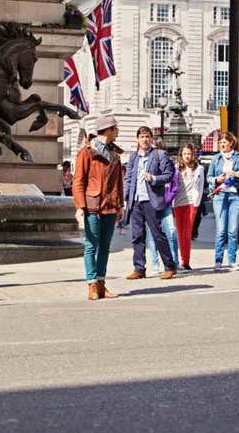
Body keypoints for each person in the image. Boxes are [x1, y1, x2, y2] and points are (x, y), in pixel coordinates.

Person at [72, 118, 124, 300]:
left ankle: (101, 284)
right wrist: (80, 206)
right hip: (92, 206)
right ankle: (92, 284)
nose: (118, 131)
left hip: (110, 205)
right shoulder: (86, 153)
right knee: (91, 245)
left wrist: (120, 205)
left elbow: (119, 182)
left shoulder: (115, 154)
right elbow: (78, 181)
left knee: (105, 247)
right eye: (115, 128)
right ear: (108, 130)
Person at [122, 126, 177, 281]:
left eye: (147, 136)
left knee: (157, 234)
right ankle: (139, 268)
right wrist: (126, 198)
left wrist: (154, 178)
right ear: (137, 139)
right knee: (137, 236)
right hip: (136, 200)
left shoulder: (159, 154)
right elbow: (128, 179)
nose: (145, 139)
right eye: (142, 137)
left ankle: (169, 266)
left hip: (151, 200)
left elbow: (169, 175)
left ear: (151, 138)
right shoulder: (133, 157)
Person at [207, 132, 239, 272]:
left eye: (224, 142)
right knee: (221, 231)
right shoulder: (216, 158)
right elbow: (209, 177)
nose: (222, 145)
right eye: (220, 143)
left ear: (231, 143)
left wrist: (237, 174)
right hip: (220, 196)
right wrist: (217, 180)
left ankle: (232, 261)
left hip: (236, 196)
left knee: (232, 230)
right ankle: (218, 261)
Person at [171, 143, 205, 272]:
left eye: (189, 154)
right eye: (185, 154)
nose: (187, 156)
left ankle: (186, 261)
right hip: (179, 203)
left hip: (191, 202)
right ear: (181, 155)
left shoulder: (199, 169)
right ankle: (180, 259)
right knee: (180, 233)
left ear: (193, 155)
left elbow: (200, 186)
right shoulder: (176, 168)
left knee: (187, 232)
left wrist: (197, 202)